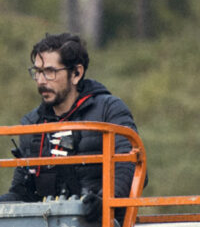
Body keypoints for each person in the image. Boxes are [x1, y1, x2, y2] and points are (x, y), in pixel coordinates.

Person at [8, 33, 137, 206]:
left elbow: (130, 167)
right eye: (37, 72)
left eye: (50, 72)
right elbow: (21, 194)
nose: (40, 81)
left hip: (102, 224)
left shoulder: (109, 110)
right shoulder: (32, 124)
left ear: (76, 73)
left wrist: (102, 203)